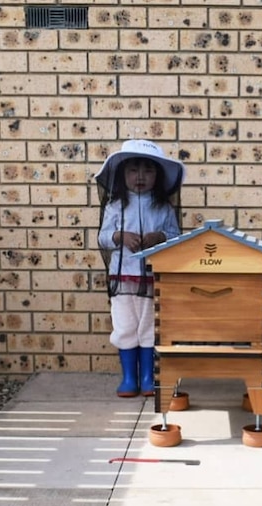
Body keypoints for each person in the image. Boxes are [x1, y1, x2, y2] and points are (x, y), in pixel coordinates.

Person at [96, 140, 184, 397]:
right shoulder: (115, 206)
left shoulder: (163, 207)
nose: (141, 176)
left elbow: (176, 237)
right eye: (134, 170)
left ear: (158, 176)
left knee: (148, 326)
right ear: (123, 175)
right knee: (124, 325)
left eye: (148, 170)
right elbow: (102, 237)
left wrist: (160, 237)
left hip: (151, 278)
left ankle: (148, 377)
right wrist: (119, 236)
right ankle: (128, 378)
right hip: (122, 277)